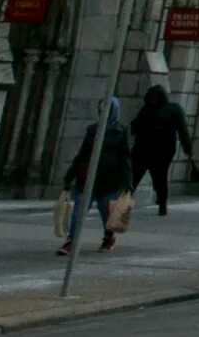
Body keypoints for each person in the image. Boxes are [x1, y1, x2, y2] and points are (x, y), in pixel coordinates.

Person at [59, 101, 133, 256]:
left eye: (107, 109)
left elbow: (125, 158)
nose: (104, 112)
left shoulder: (121, 131)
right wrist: (70, 176)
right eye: (101, 109)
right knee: (79, 210)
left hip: (109, 180)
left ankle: (108, 237)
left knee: (106, 211)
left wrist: (128, 182)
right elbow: (82, 154)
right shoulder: (93, 130)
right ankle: (71, 241)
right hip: (87, 177)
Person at [130, 85, 186, 217]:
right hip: (143, 149)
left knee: (160, 178)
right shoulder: (146, 110)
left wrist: (187, 146)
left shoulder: (172, 110)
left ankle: (162, 204)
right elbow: (137, 126)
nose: (153, 100)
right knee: (133, 177)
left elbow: (182, 130)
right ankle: (123, 203)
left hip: (162, 151)